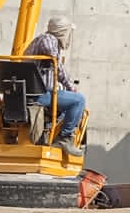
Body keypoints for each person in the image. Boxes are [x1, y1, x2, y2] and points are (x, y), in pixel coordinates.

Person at [21, 16, 86, 153]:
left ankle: (51, 131)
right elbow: (56, 65)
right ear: (63, 31)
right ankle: (64, 138)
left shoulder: (42, 39)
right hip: (39, 95)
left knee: (66, 107)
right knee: (78, 100)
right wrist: (70, 87)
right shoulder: (48, 40)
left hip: (34, 93)